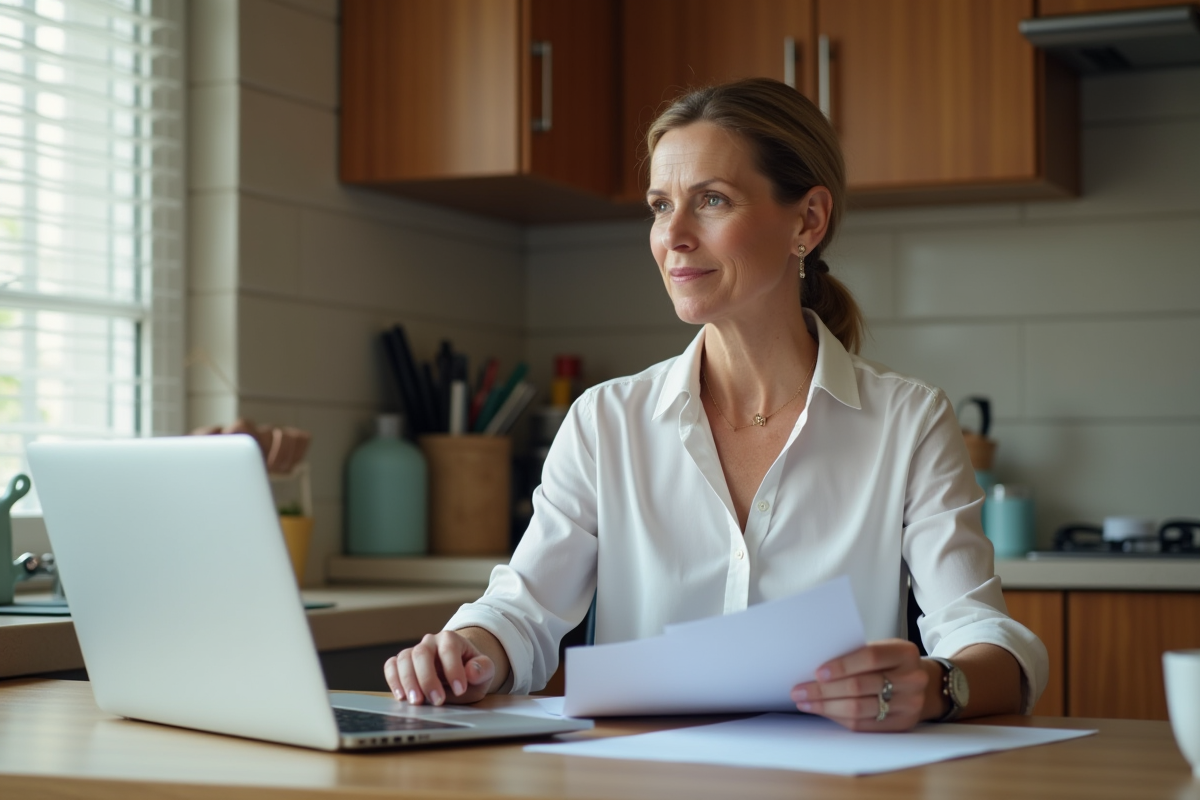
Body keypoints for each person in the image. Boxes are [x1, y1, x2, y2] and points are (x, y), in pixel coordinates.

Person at [384, 78, 1047, 731]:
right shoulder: (604, 422)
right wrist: (466, 651)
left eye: (712, 200)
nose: (672, 235)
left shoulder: (909, 422)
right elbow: (523, 612)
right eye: (659, 205)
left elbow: (983, 635)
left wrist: (937, 685)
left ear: (807, 221)